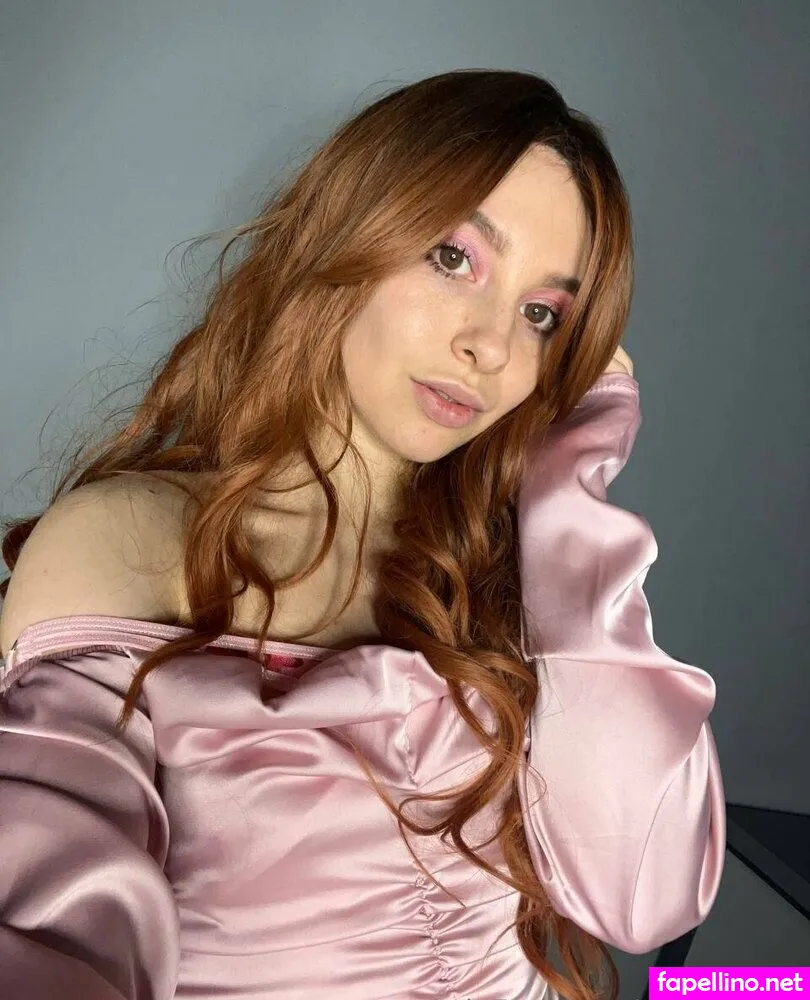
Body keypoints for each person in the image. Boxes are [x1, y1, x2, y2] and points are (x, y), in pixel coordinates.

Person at [0, 69, 724, 1000]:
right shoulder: (129, 542)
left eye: (542, 315)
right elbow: (48, 940)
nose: (492, 346)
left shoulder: (514, 572)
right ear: (348, 235)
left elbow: (646, 900)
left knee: (777, 986)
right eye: (454, 258)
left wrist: (569, 488)